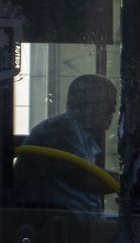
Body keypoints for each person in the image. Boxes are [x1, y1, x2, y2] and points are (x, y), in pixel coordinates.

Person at [14, 74, 118, 212]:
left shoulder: (81, 134)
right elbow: (84, 179)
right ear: (86, 104)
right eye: (108, 105)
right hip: (53, 222)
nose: (112, 112)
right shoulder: (62, 128)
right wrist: (129, 184)